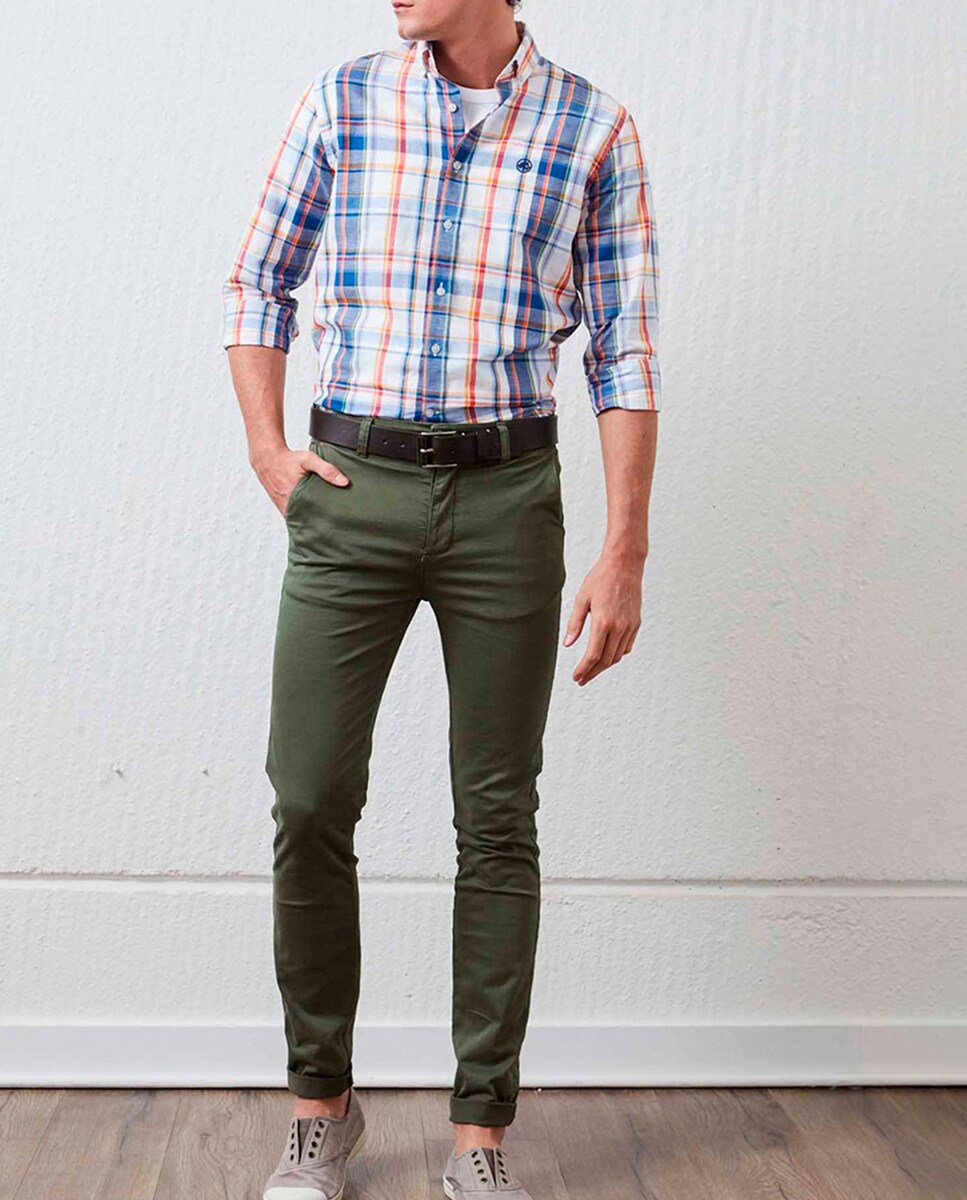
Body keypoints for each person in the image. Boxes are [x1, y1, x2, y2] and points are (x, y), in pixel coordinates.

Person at [221, 1, 660, 1196]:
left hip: (506, 501)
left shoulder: (591, 129)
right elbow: (259, 281)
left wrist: (623, 549)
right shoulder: (345, 101)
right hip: (348, 488)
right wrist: (269, 451)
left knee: (496, 815)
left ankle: (478, 1139)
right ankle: (321, 1110)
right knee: (309, 794)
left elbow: (623, 350)